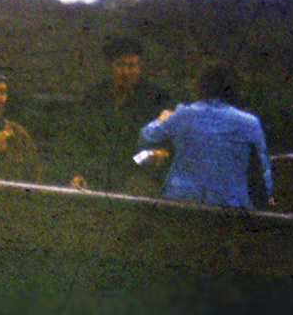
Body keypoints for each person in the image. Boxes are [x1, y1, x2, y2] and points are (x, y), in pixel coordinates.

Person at [137, 61, 272, 209]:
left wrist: (161, 119)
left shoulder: (184, 114)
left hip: (182, 201)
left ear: (200, 86)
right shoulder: (251, 123)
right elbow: (262, 162)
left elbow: (146, 136)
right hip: (231, 205)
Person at [69, 36, 171, 193]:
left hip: (138, 172)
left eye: (132, 66)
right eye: (120, 65)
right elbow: (80, 139)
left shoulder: (156, 98)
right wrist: (77, 173)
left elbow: (163, 145)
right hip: (98, 173)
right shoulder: (94, 96)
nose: (126, 72)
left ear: (140, 68)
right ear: (110, 67)